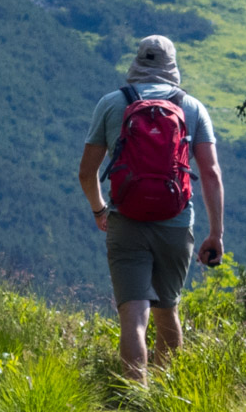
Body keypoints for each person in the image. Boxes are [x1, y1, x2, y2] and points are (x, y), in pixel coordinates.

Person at [78, 34, 225, 382]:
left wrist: (100, 210)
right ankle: (163, 403)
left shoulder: (112, 104)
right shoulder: (192, 108)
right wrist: (215, 233)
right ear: (172, 66)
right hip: (176, 225)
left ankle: (135, 401)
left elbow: (87, 172)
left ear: (137, 62)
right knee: (166, 311)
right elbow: (211, 173)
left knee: (134, 317)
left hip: (125, 221)